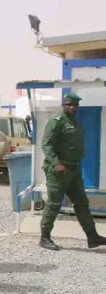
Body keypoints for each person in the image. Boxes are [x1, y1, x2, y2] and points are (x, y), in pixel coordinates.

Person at [39, 92, 106, 251]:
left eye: (75, 105)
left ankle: (92, 236)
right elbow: (46, 145)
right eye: (69, 105)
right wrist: (56, 164)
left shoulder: (75, 122)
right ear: (64, 105)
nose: (72, 107)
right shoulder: (56, 121)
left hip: (74, 170)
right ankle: (44, 237)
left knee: (82, 203)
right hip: (59, 171)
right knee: (54, 204)